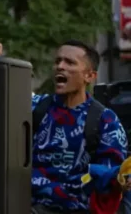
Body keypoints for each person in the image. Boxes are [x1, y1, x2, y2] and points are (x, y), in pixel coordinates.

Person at [30, 40, 127, 213]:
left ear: (89, 76)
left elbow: (110, 181)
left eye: (69, 62)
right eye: (58, 61)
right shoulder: (35, 107)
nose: (60, 66)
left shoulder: (106, 121)